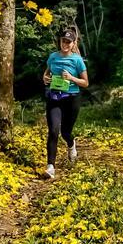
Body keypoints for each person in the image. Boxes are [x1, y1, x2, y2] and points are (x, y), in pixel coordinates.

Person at [42, 25, 89, 179]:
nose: (65, 44)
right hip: (54, 97)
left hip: (72, 98)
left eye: (69, 42)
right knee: (54, 130)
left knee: (65, 132)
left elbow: (85, 83)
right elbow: (46, 74)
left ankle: (71, 144)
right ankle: (50, 167)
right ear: (60, 41)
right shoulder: (53, 57)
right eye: (63, 41)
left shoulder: (77, 60)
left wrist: (71, 78)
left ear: (74, 43)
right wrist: (45, 78)